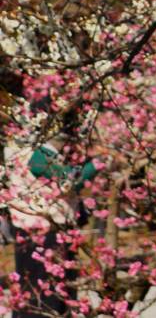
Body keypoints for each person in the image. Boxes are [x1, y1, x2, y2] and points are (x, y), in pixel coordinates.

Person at [5, 115, 97, 318]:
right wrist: (97, 164)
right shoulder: (34, 155)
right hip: (42, 235)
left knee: (56, 294)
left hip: (52, 233)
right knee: (45, 295)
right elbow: (68, 182)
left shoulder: (43, 154)